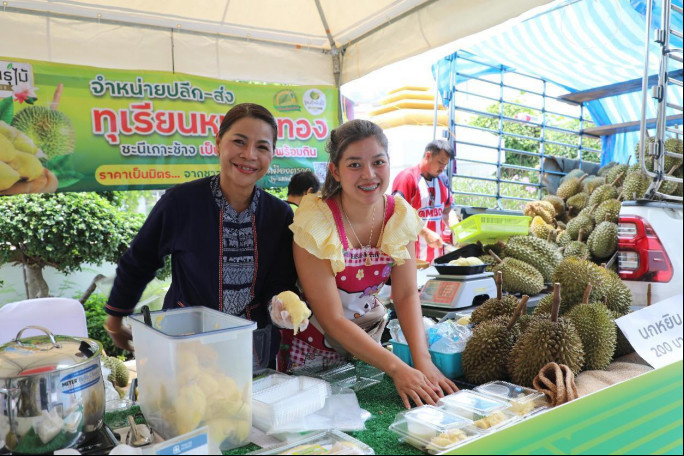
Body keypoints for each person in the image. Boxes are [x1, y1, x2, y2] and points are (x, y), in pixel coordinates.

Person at [273, 120, 457, 408]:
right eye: (355, 164)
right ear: (335, 170)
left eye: (378, 162)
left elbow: (406, 294)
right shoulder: (316, 221)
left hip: (368, 350)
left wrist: (423, 362)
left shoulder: (399, 216)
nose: (369, 174)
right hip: (311, 351)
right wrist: (396, 367)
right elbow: (332, 319)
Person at [103, 103, 297, 364]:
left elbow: (280, 280)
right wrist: (115, 321)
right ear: (218, 142)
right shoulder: (181, 202)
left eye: (262, 146)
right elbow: (140, 262)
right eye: (239, 141)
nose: (249, 154)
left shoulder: (279, 214)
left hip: (252, 348)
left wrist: (278, 306)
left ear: (272, 154)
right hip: (187, 343)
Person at [392, 140, 454, 263]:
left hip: (438, 258)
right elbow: (397, 214)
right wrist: (425, 233)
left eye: (445, 165)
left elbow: (447, 210)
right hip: (412, 260)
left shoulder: (443, 179)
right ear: (428, 156)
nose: (442, 168)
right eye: (440, 162)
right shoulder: (407, 178)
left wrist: (459, 232)